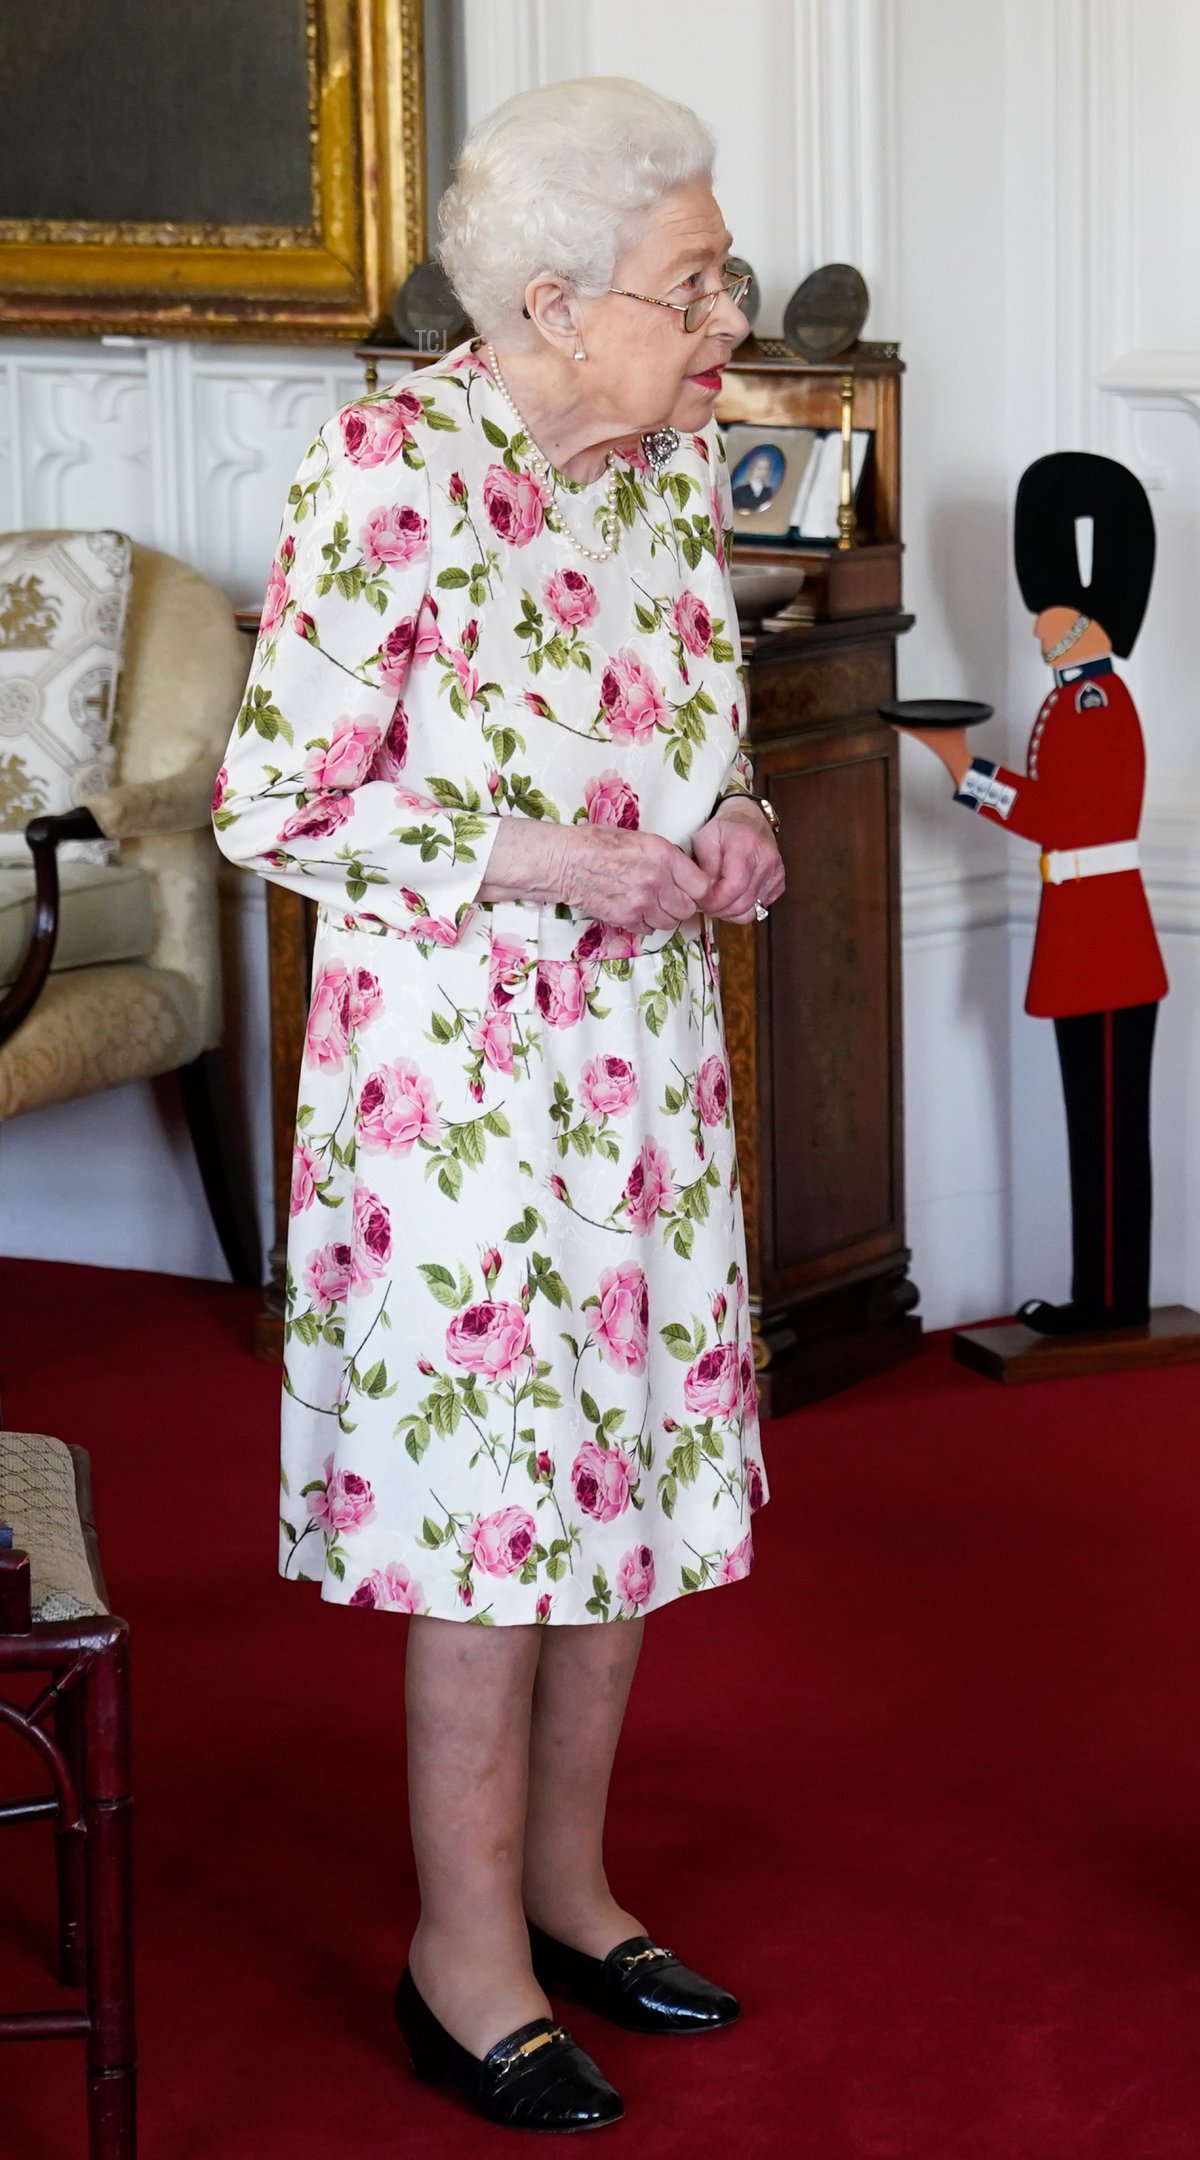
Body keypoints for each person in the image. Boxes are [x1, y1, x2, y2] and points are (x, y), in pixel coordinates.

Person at [214, 76, 783, 2134]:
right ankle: (458, 1956)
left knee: (612, 1494)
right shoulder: (386, 465)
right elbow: (278, 800)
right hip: (457, 1089)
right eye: (693, 283)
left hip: (641, 1067)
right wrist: (545, 861)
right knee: (494, 1521)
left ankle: (571, 1886)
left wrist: (729, 829)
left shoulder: (653, 474)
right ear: (554, 305)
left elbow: (697, 732)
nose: (726, 317)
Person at [897, 452, 1165, 1334]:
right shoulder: (1069, 700)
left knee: (1112, 1133)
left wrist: (963, 767)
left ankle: (1115, 1304)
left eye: (1055, 622)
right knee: (1094, 1128)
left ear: (1092, 625)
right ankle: (1102, 1296)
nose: (1040, 633)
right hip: (1086, 933)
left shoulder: (1096, 707)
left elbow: (1059, 817)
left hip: (1106, 939)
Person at [731, 444, 783, 511]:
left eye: (766, 468)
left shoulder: (768, 492)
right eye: (759, 468)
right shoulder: (739, 491)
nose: (762, 472)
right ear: (752, 469)